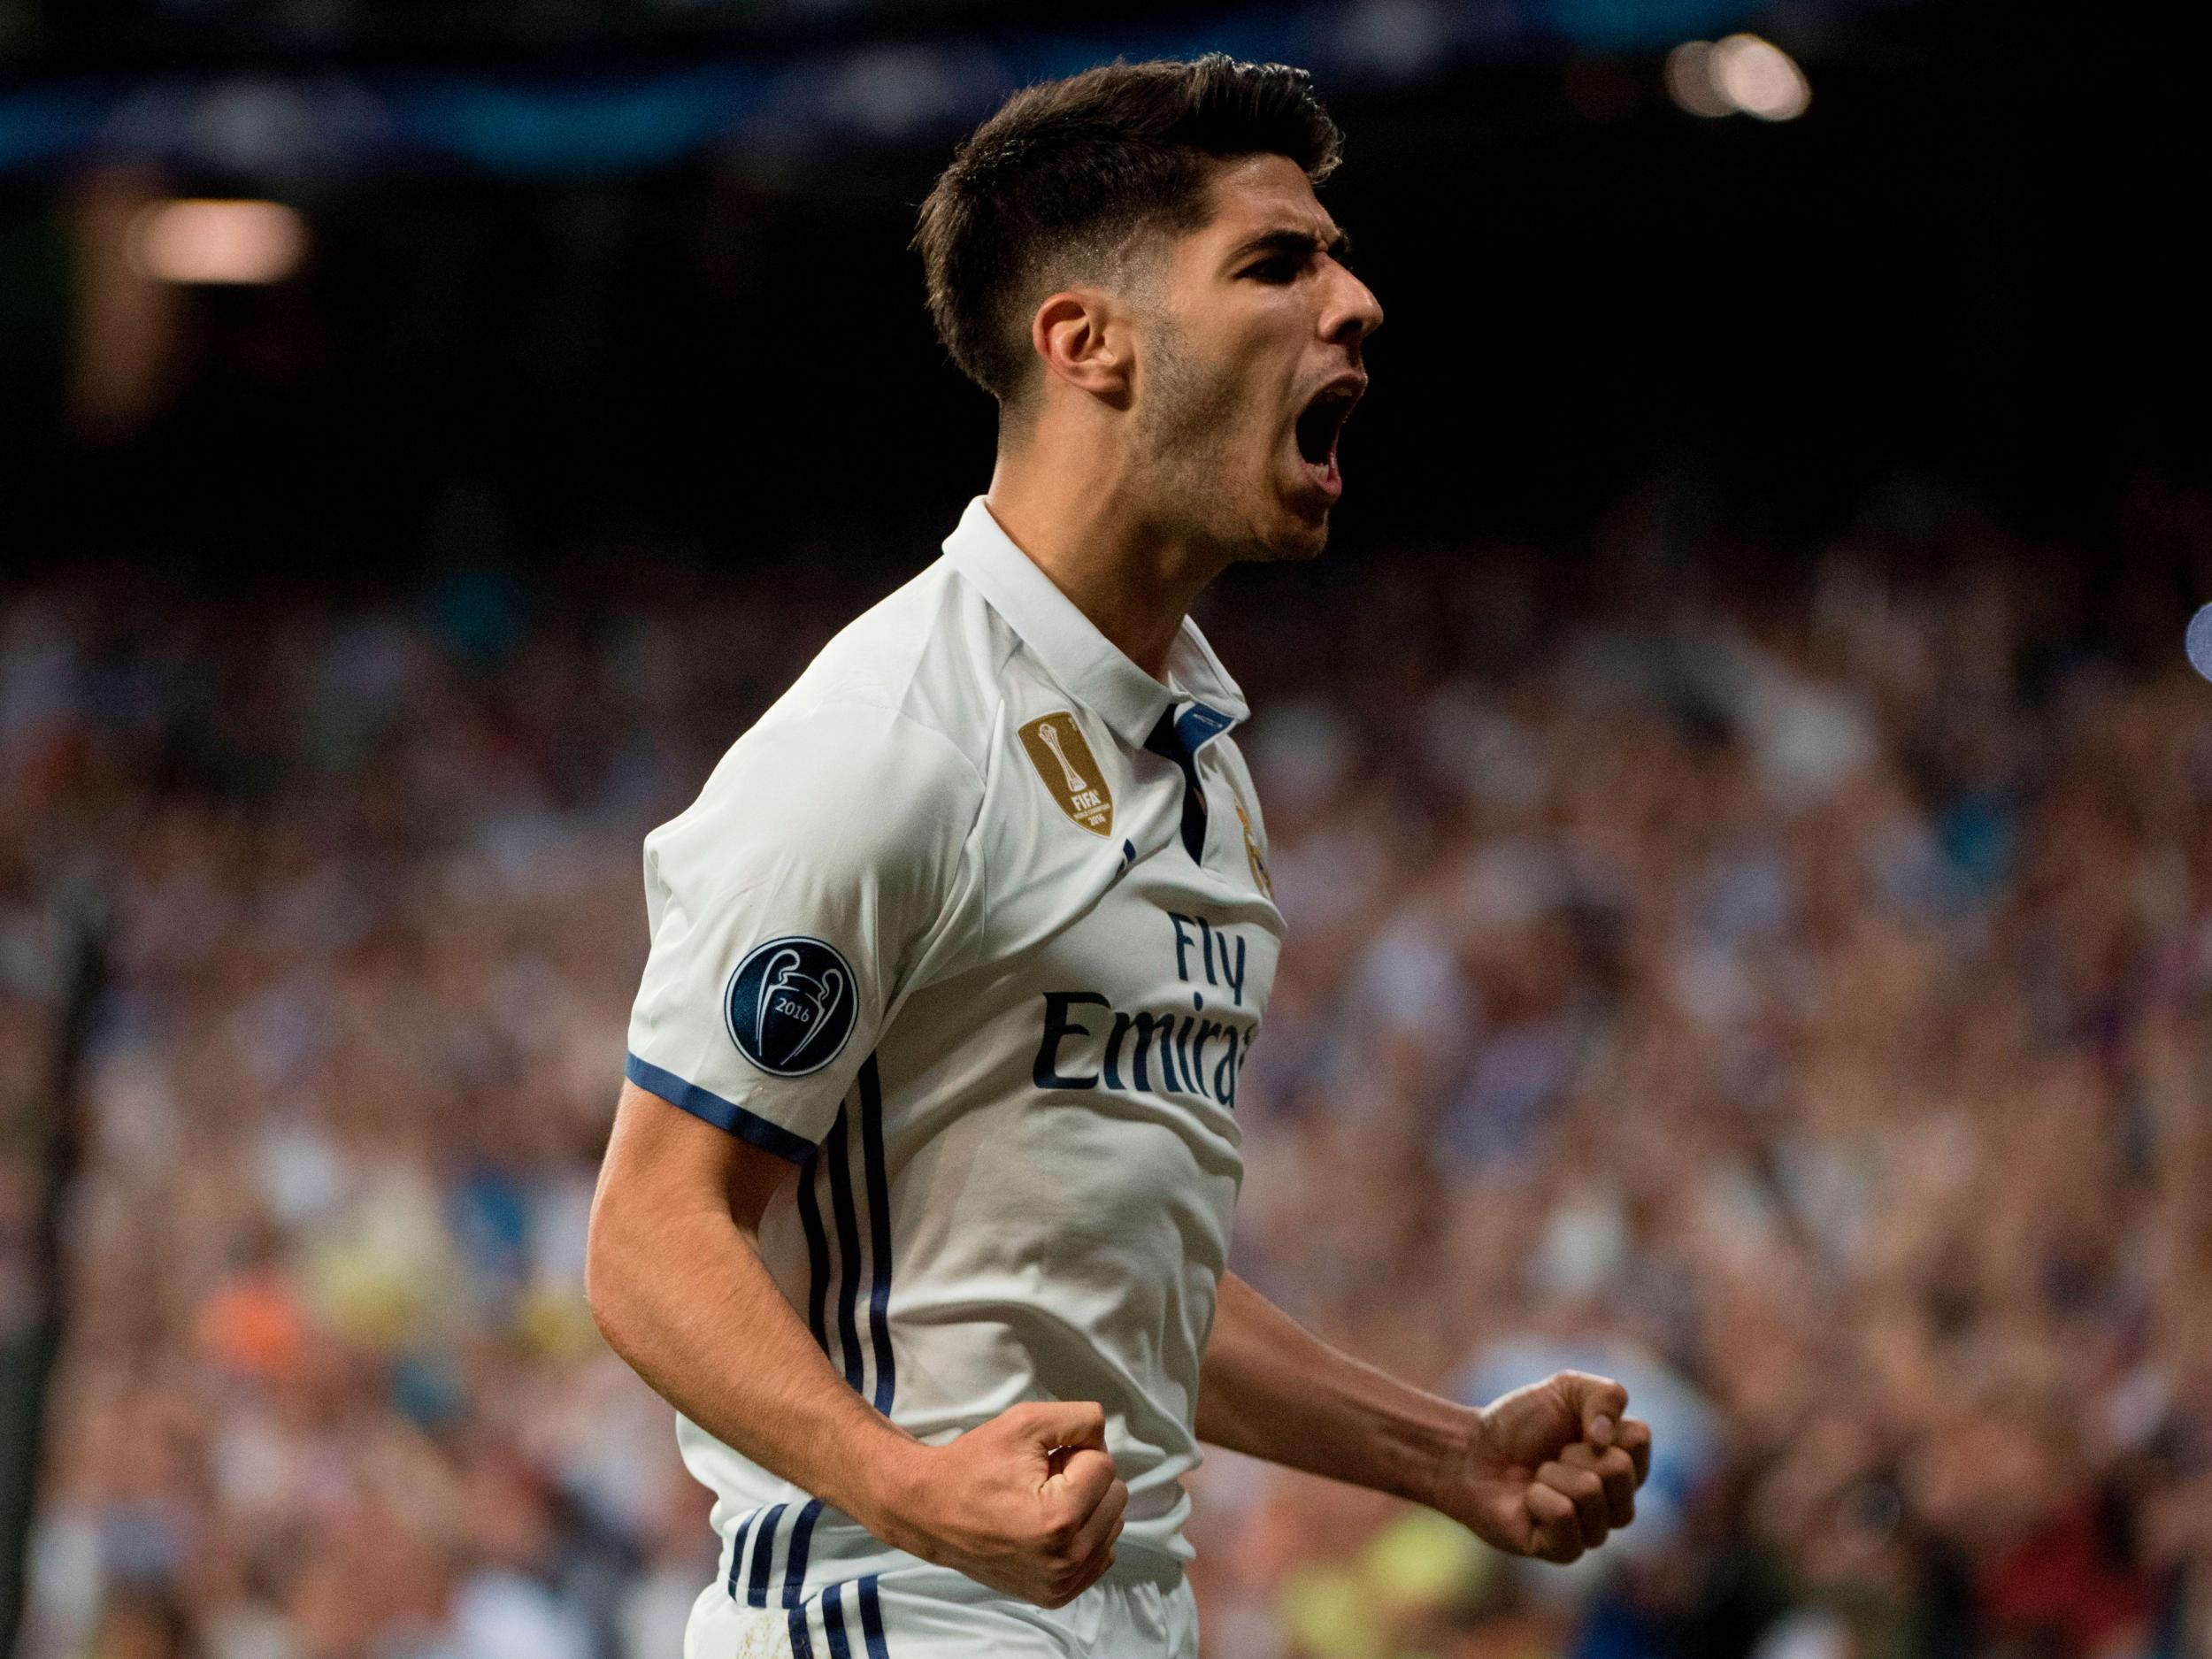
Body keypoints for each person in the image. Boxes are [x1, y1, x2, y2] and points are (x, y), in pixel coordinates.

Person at [585, 53, 1652, 1659]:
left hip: (1125, 1621)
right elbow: (652, 1230)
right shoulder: (891, 743)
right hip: (895, 1618)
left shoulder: (1207, 766)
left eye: (1338, 259)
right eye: (1278, 262)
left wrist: (1445, 1457)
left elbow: (1119, 1294)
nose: (1353, 303)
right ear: (1087, 342)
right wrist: (912, 1486)